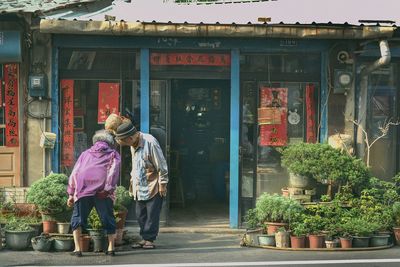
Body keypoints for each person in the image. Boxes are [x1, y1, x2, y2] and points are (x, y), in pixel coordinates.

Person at [67, 130, 121, 257]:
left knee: (77, 218)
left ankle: (77, 249)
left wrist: (71, 193)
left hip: (83, 188)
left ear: (95, 141)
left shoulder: (85, 154)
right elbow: (113, 173)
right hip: (102, 190)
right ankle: (111, 248)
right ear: (110, 143)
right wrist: (107, 190)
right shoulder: (113, 154)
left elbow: (75, 172)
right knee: (107, 217)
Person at [115, 121, 168, 249]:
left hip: (153, 184)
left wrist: (163, 184)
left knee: (152, 214)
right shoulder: (133, 144)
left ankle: (149, 239)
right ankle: (144, 238)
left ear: (130, 138)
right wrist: (132, 184)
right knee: (140, 214)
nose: (126, 145)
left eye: (125, 142)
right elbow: (136, 166)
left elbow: (161, 164)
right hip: (139, 185)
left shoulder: (150, 142)